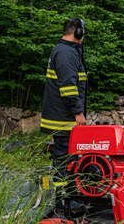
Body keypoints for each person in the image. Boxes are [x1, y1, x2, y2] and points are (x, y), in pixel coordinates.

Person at [40, 18, 87, 179]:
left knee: (68, 160)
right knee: (64, 160)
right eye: (83, 33)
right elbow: (68, 87)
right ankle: (63, 200)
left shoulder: (66, 50)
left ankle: (68, 198)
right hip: (64, 119)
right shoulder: (66, 53)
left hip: (63, 117)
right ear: (78, 32)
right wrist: (78, 112)